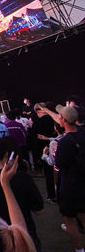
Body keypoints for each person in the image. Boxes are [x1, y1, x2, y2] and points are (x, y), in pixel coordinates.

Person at [51, 105, 85, 252]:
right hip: (82, 182)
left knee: (70, 220)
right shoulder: (83, 133)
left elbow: (58, 164)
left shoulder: (63, 142)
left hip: (70, 186)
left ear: (63, 120)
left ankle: (79, 249)